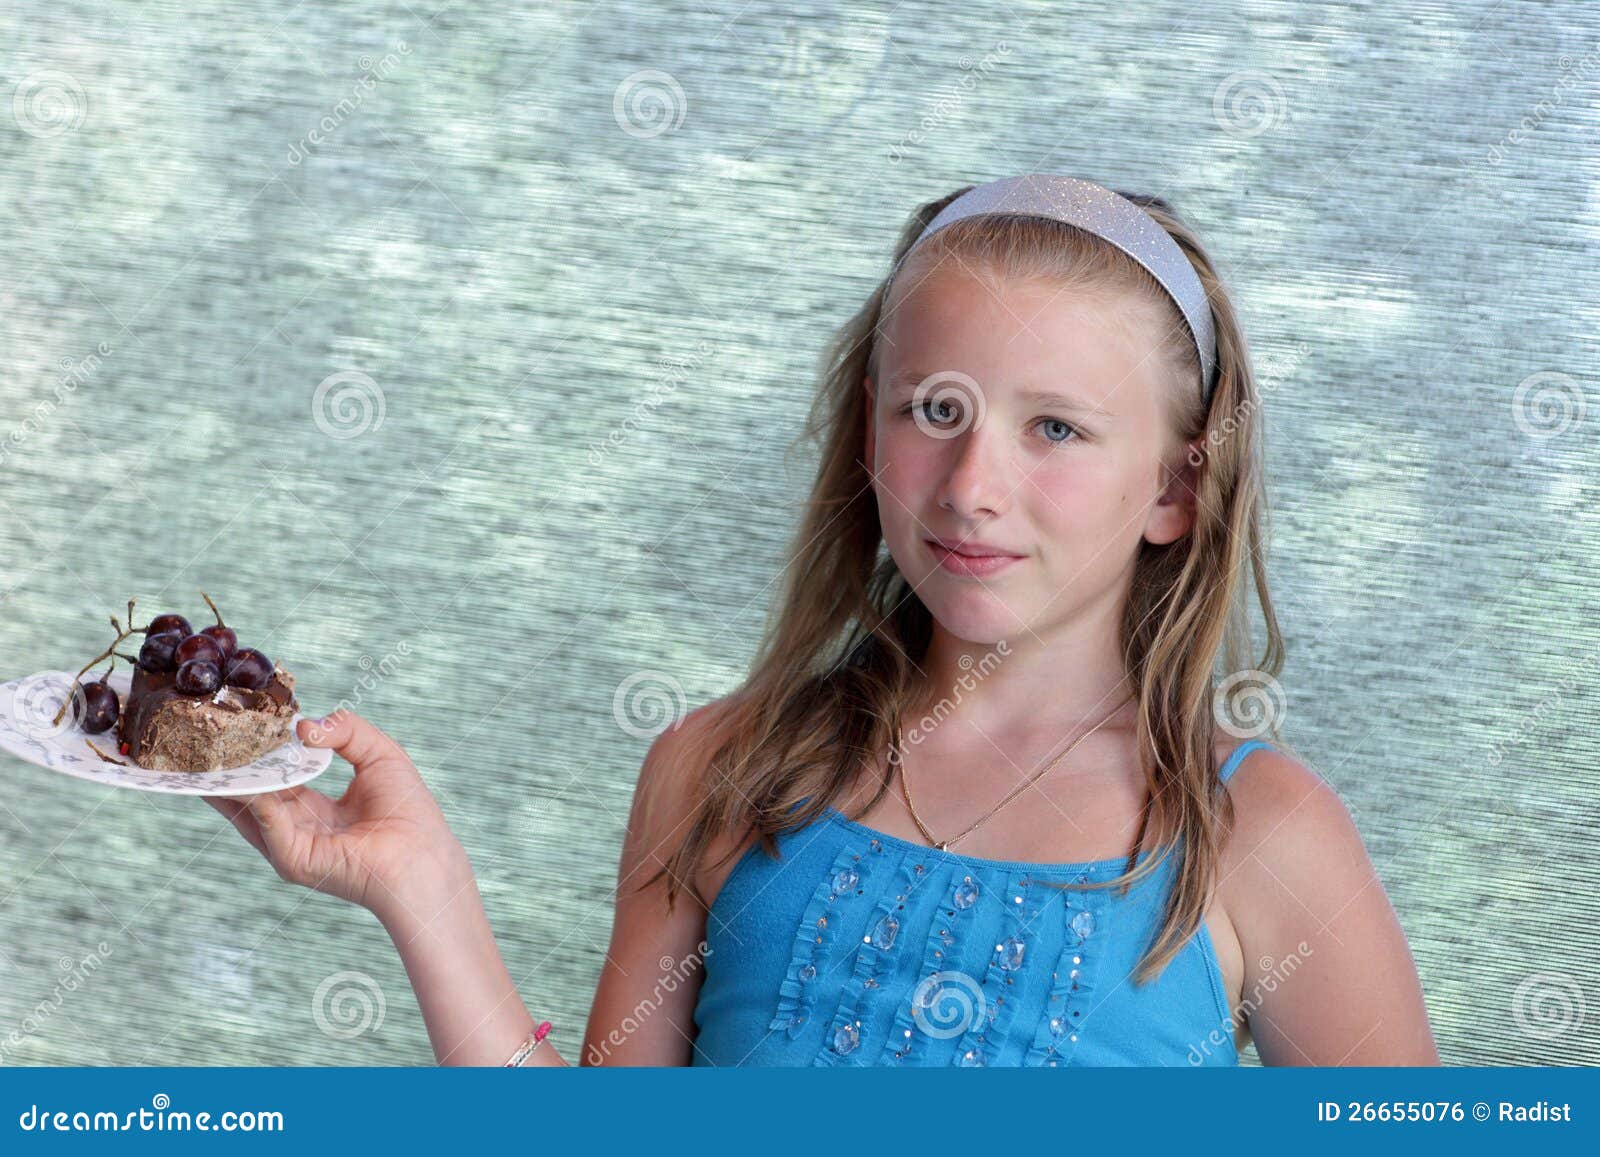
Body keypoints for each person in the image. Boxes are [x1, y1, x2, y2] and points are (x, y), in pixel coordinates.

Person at [206, 175, 1439, 1067]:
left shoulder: (1262, 835)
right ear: (866, 430)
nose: (972, 485)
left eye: (1055, 427)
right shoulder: (718, 769)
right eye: (933, 410)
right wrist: (421, 889)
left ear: (1175, 486)